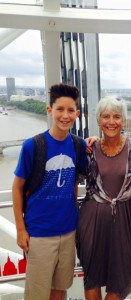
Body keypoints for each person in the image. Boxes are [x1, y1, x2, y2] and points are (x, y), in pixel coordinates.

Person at [12, 83, 87, 300]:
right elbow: (17, 187)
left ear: (77, 114)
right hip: (39, 233)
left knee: (60, 289)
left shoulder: (78, 146)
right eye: (60, 109)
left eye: (70, 110)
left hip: (68, 230)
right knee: (37, 293)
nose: (65, 115)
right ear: (49, 110)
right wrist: (20, 230)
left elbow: (74, 182)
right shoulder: (32, 146)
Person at [77, 96, 131, 300]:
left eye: (117, 116)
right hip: (91, 221)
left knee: (120, 280)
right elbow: (70, 177)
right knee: (92, 277)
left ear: (124, 120)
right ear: (98, 121)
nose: (111, 121)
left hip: (124, 221)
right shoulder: (88, 149)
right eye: (106, 116)